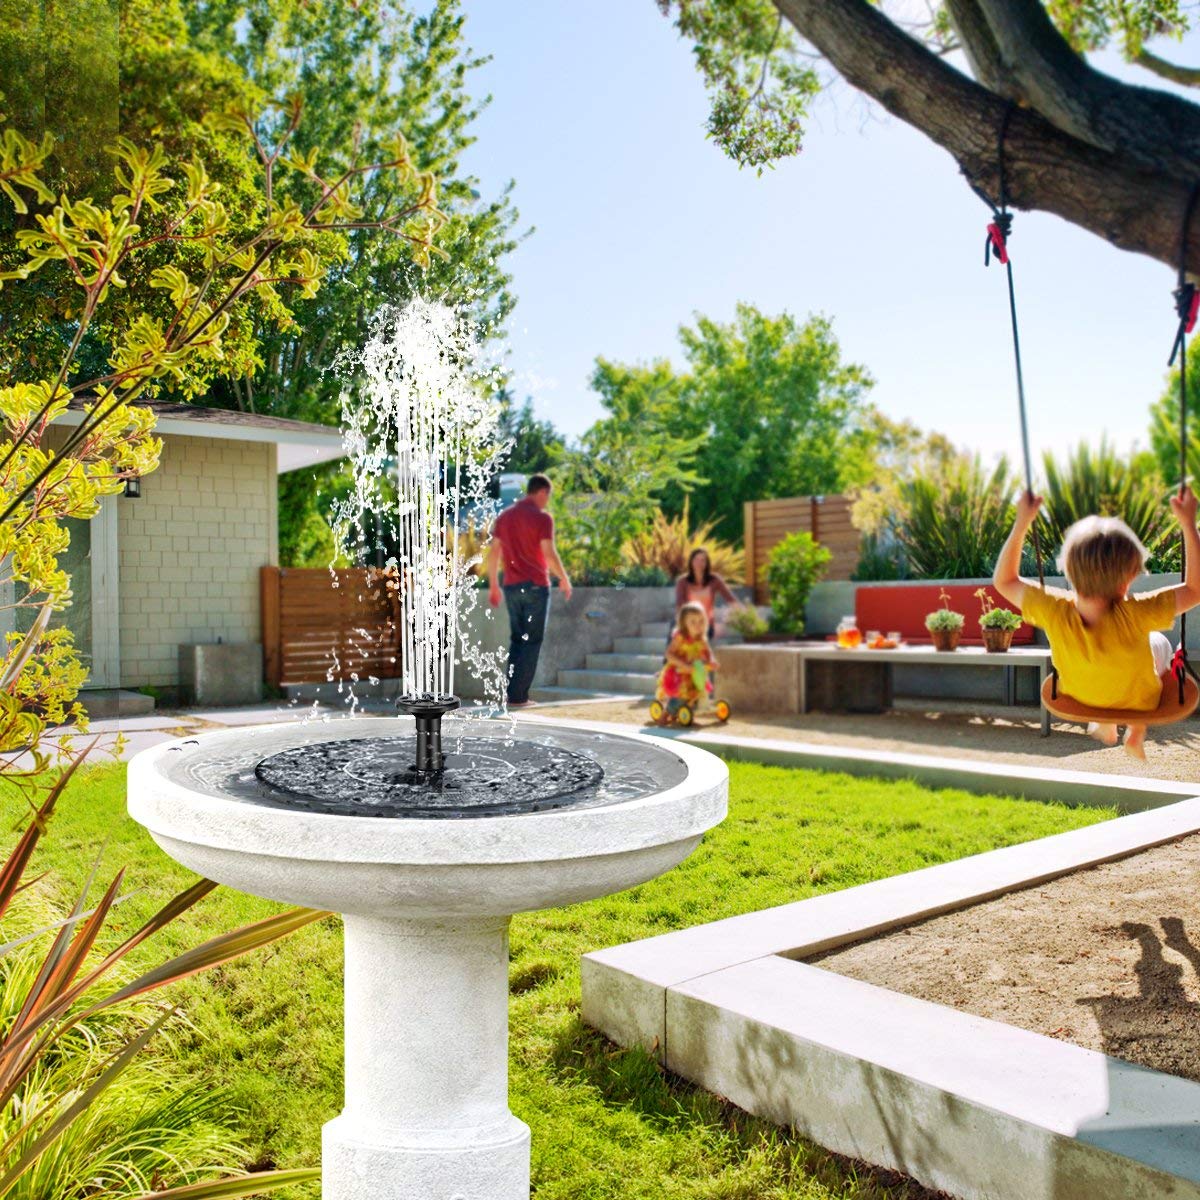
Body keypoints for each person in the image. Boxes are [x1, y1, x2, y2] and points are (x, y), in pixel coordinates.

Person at [993, 487, 1200, 758]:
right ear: (1128, 578)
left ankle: (1104, 720)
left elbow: (1004, 581)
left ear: (1069, 570)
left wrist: (1022, 523)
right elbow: (1196, 589)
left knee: (1120, 664)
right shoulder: (1137, 612)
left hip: (1081, 696)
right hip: (1142, 701)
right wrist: (1187, 523)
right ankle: (1136, 729)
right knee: (1158, 642)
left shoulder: (1054, 608)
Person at [488, 473, 573, 707]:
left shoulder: (505, 517)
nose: (547, 501)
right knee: (532, 640)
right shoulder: (542, 518)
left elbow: (494, 553)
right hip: (535, 585)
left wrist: (494, 585)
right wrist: (564, 578)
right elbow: (548, 552)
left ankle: (511, 694)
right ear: (542, 492)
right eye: (548, 495)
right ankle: (519, 697)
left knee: (517, 640)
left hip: (512, 587)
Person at [655, 601, 717, 721]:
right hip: (680, 671)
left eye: (700, 621)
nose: (697, 625)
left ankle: (688, 710)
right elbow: (669, 654)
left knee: (698, 691)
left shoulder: (701, 639)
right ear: (684, 623)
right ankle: (666, 713)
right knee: (681, 695)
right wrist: (683, 664)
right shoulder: (680, 637)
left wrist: (712, 661)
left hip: (695, 670)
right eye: (693, 622)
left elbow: (708, 652)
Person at [674, 548, 738, 640]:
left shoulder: (715, 580)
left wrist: (746, 616)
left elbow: (731, 599)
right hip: (687, 624)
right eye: (696, 559)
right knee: (675, 631)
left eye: (703, 560)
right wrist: (684, 624)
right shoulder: (682, 581)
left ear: (707, 563)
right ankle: (670, 653)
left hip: (706, 625)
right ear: (691, 562)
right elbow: (680, 605)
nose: (699, 563)